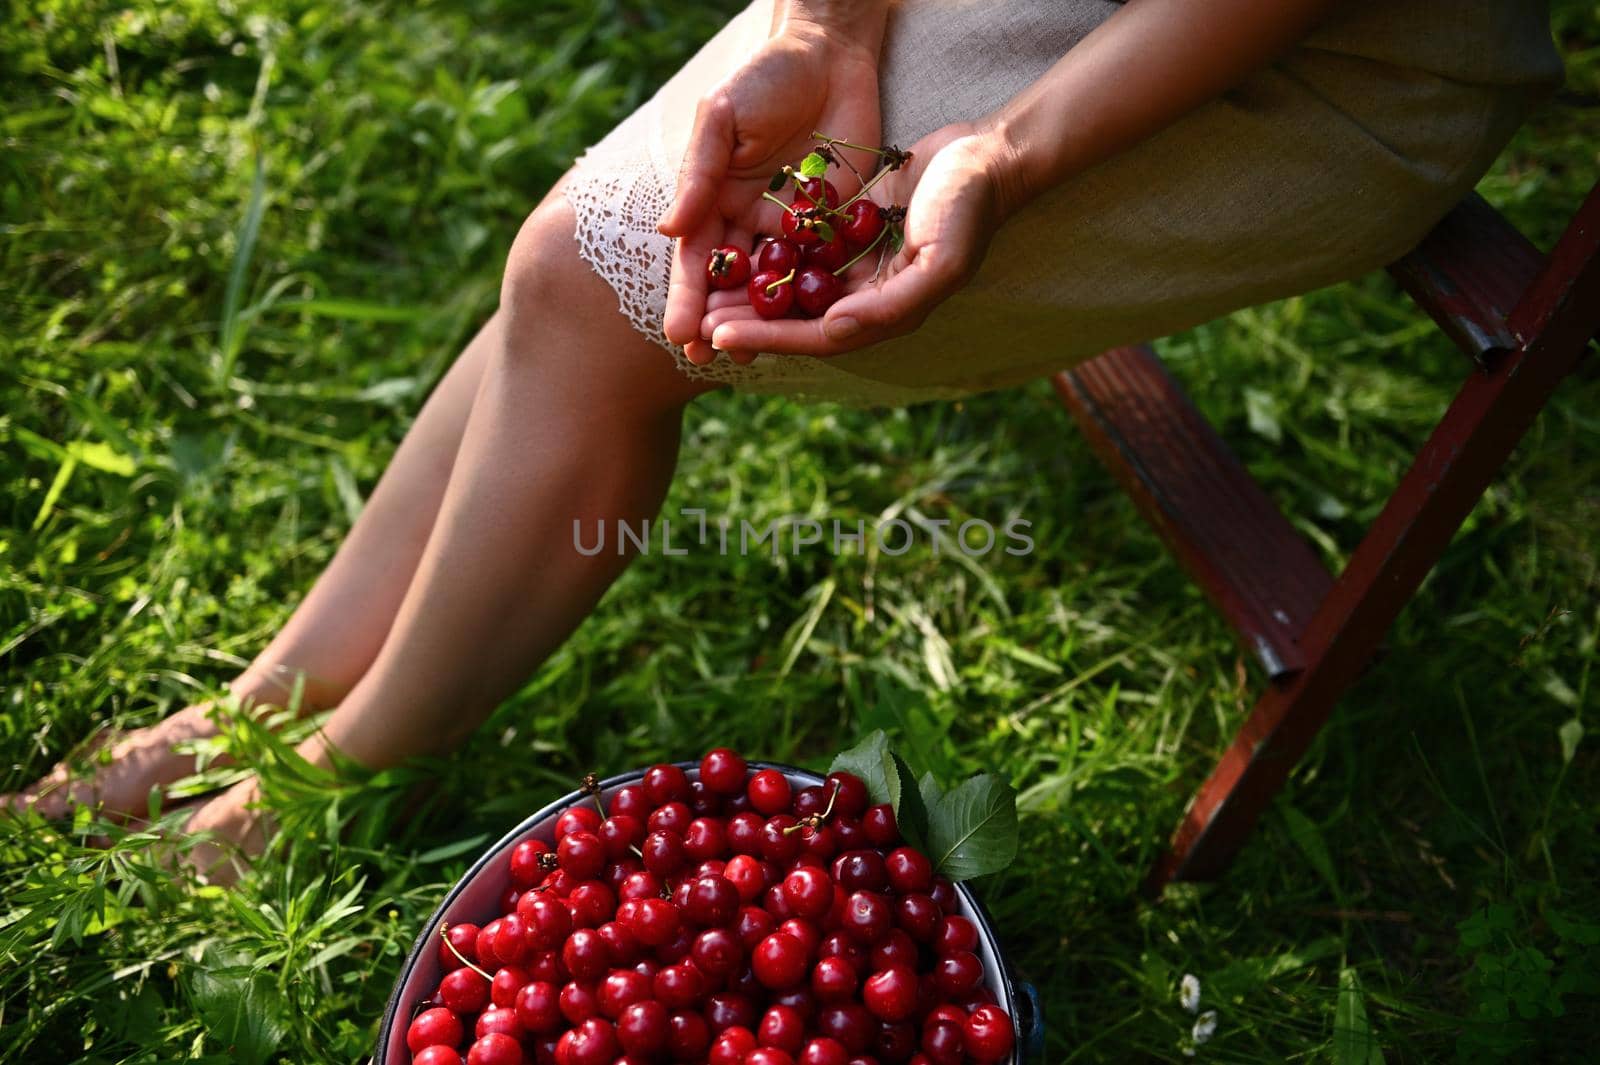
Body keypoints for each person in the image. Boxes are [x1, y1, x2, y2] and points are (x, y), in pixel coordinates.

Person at [3, 0, 1561, 881]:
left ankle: (321, 775)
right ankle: (267, 701)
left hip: (1325, 37)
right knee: (575, 266)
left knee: (624, 301)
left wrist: (1000, 154)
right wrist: (830, 21)